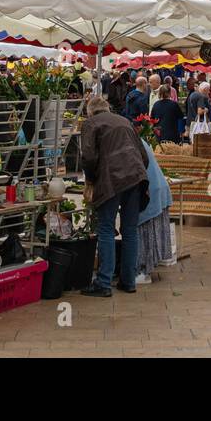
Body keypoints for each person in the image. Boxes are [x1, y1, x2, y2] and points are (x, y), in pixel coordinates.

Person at [79, 96, 149, 297]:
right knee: (130, 230)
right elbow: (143, 156)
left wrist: (91, 180)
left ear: (90, 111)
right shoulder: (124, 120)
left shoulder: (90, 123)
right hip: (135, 178)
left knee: (106, 228)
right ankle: (128, 281)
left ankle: (104, 283)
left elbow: (89, 157)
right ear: (107, 108)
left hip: (111, 179)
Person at [135, 140, 174, 284]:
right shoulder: (137, 139)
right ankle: (144, 270)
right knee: (149, 233)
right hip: (156, 187)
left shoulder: (130, 141)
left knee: (145, 233)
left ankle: (143, 272)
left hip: (150, 191)